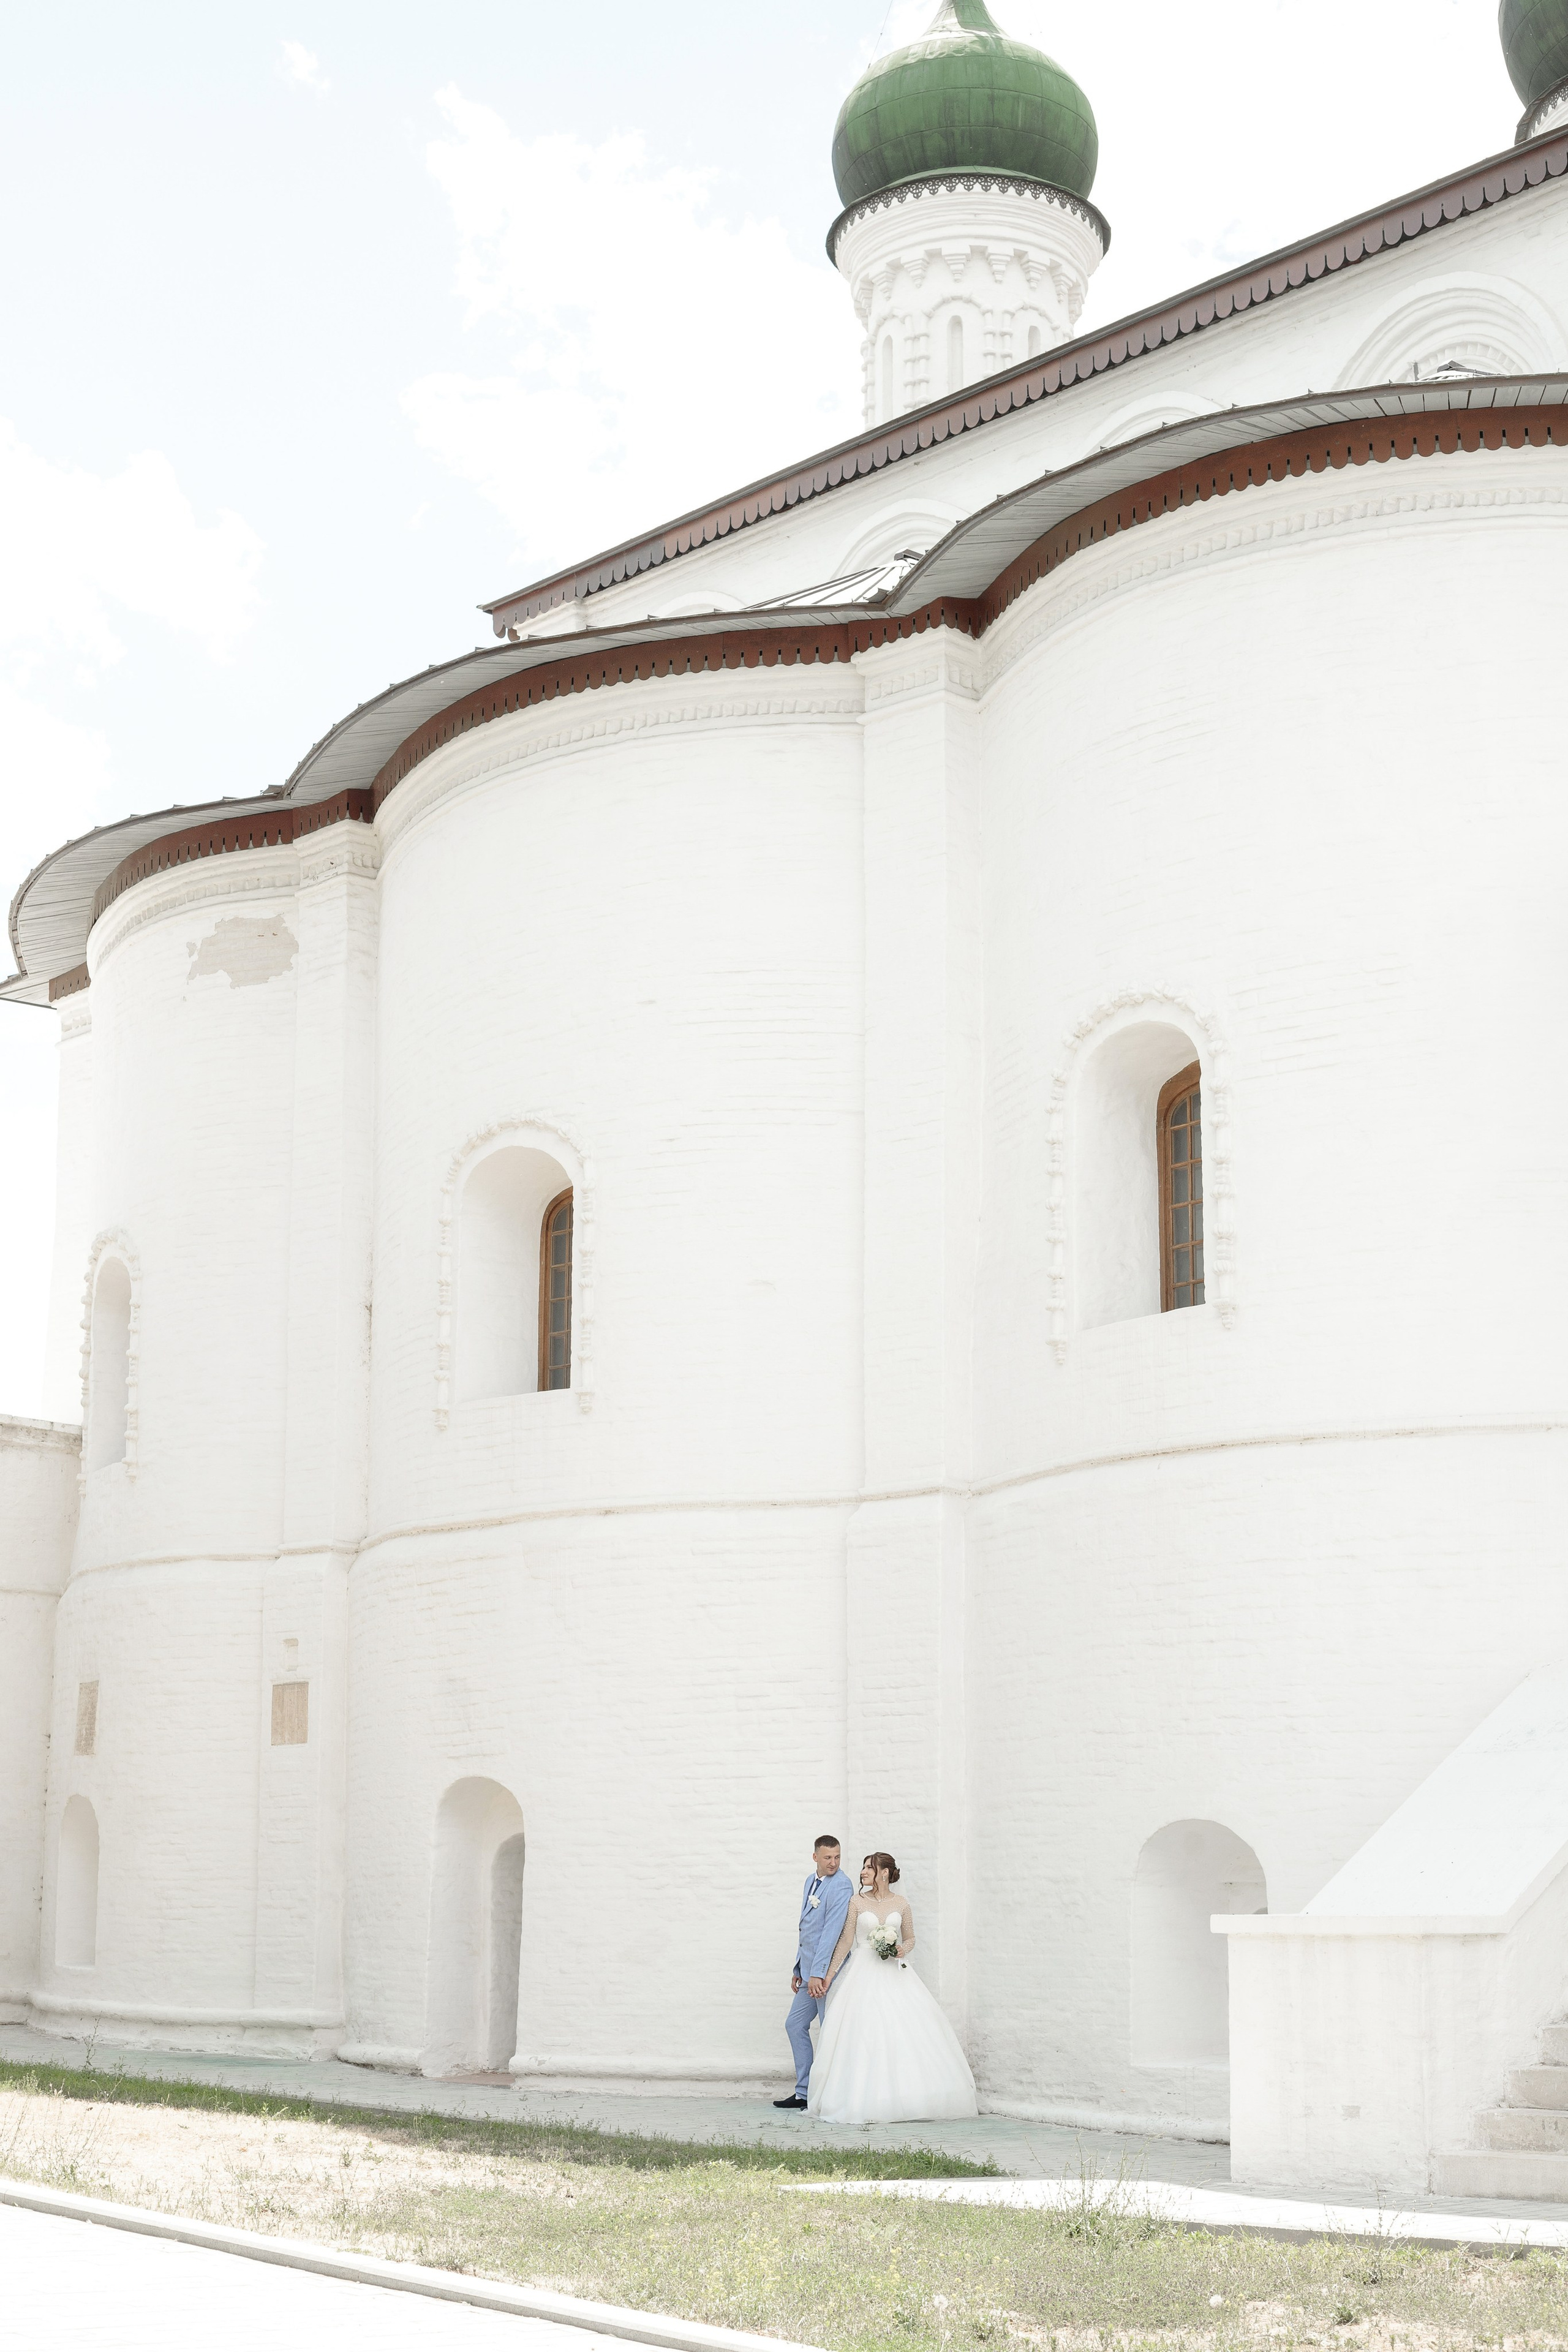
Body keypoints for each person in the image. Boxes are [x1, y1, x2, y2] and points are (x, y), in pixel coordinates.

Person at [806, 1850, 978, 2125]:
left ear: (884, 1873)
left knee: (905, 2031)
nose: (862, 1872)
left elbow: (910, 1939)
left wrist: (900, 1949)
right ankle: (862, 2098)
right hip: (862, 1973)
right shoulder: (857, 1902)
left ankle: (908, 2098)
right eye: (863, 1868)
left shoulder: (902, 1903)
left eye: (868, 1868)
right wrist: (828, 1976)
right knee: (864, 2033)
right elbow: (846, 1941)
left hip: (895, 1973)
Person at [775, 1834, 853, 2110]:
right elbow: (806, 1928)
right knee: (795, 2025)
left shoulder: (842, 1885)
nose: (833, 1863)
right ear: (815, 1857)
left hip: (827, 1973)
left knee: (830, 2031)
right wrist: (800, 1968)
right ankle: (804, 2093)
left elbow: (832, 1933)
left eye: (838, 1857)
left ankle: (831, 2094)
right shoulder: (811, 1881)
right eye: (828, 1857)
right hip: (808, 1970)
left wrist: (819, 1974)